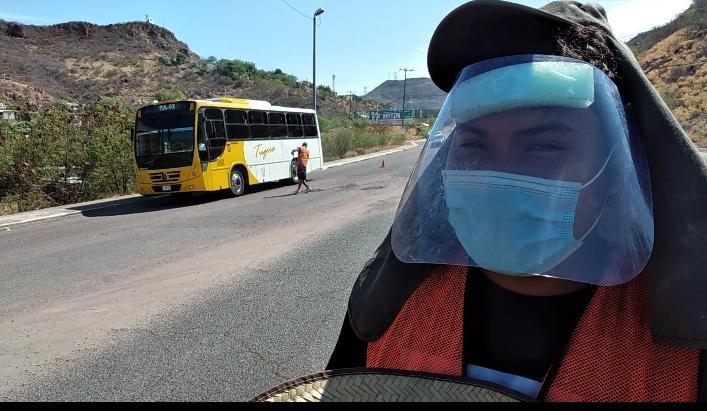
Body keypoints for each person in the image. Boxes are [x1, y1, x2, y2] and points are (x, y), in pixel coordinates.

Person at [326, 0, 707, 402]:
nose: (498, 175)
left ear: (619, 162)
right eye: (472, 145)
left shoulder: (686, 350)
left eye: (544, 145)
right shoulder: (390, 304)